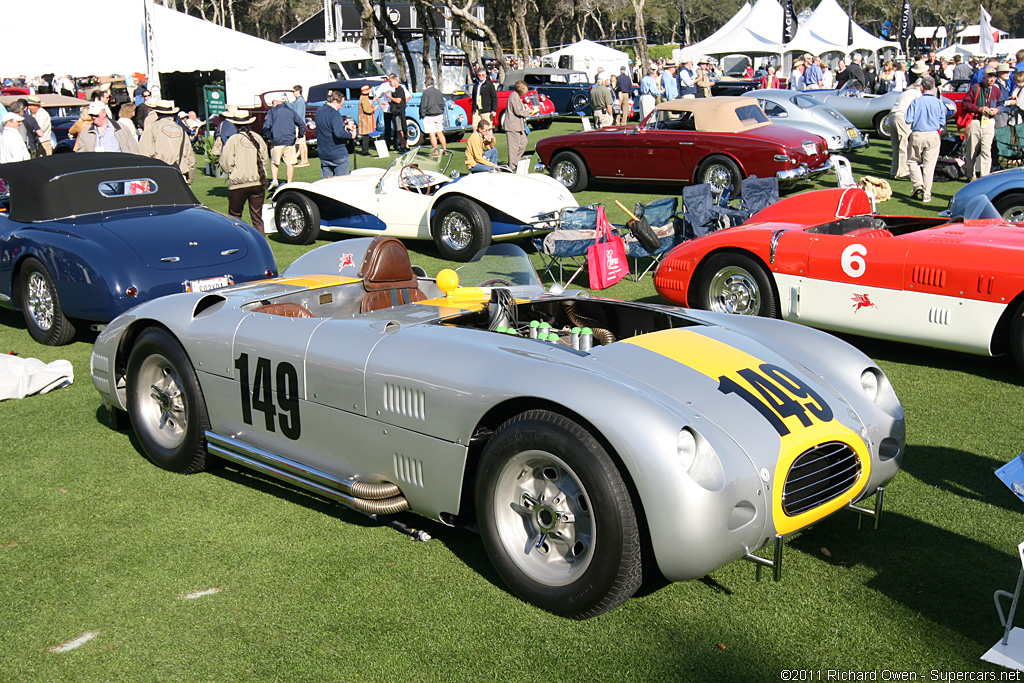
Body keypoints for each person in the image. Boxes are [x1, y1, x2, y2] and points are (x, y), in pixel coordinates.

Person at [219, 109, 269, 235]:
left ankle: (238, 242)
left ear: (235, 124)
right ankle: (261, 244)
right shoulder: (258, 138)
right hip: (258, 182)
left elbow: (225, 161)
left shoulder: (233, 139)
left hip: (239, 183)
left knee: (235, 217)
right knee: (257, 218)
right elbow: (265, 159)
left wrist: (232, 171)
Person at [905, 76, 947, 203]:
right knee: (929, 166)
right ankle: (927, 194)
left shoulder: (916, 102)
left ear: (921, 87)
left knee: (912, 161)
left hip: (918, 134)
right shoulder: (939, 103)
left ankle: (918, 185)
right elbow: (942, 121)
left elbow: (908, 119)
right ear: (934, 87)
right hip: (933, 134)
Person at [139, 100, 196, 184]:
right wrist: (189, 180)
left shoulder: (152, 128)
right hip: (179, 175)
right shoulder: (181, 130)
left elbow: (144, 154)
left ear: (157, 113)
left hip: (158, 176)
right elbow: (191, 160)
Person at [962, 67, 1003, 180]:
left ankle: (984, 177)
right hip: (975, 121)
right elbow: (965, 104)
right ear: (984, 77)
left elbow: (1002, 104)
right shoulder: (976, 88)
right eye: (990, 76)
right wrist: (979, 109)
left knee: (986, 150)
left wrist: (997, 110)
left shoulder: (996, 90)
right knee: (972, 151)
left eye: (994, 77)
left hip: (989, 122)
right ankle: (971, 175)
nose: (992, 79)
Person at [262, 94, 305, 190]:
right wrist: (300, 136)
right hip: (290, 141)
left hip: (276, 141)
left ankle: (274, 180)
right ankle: (289, 182)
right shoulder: (291, 111)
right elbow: (301, 124)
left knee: (274, 162)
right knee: (290, 163)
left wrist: (267, 137)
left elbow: (266, 126)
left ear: (276, 102)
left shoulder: (272, 112)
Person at [315, 89, 357, 178]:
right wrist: (351, 135)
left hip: (323, 154)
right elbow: (339, 133)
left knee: (326, 185)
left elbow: (327, 128)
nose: (341, 107)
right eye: (340, 105)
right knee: (342, 183)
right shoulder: (335, 114)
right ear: (335, 101)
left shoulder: (319, 111)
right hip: (337, 153)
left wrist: (345, 127)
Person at [887, 82, 921, 179]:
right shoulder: (916, 93)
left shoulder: (904, 93)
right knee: (905, 145)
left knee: (896, 146)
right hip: (902, 116)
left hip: (892, 116)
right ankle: (903, 171)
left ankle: (894, 171)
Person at [504, 80, 530, 169]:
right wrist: (528, 112)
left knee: (524, 143)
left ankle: (516, 162)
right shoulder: (514, 96)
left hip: (518, 125)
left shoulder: (516, 96)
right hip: (512, 125)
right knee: (513, 147)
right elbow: (518, 111)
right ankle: (512, 166)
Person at [420, 76, 446, 154]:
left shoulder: (426, 92)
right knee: (440, 133)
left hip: (429, 115)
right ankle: (445, 150)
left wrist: (422, 114)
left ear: (426, 84)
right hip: (439, 114)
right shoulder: (438, 91)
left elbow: (424, 105)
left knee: (432, 134)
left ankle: (436, 151)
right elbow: (443, 103)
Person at [386, 74, 408, 153]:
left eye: (391, 81)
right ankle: (402, 145)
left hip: (399, 113)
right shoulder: (395, 90)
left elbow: (398, 100)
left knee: (401, 129)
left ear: (395, 81)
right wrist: (390, 102)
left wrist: (390, 97)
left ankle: (404, 145)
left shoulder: (400, 90)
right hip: (396, 112)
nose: (390, 83)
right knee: (398, 130)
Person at [290, 85, 309, 167]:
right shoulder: (299, 101)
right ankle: (305, 159)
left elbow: (298, 114)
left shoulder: (300, 101)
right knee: (303, 142)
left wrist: (297, 124)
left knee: (300, 143)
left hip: (299, 125)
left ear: (298, 91)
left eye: (293, 91)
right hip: (301, 124)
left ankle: (303, 160)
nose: (293, 93)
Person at [357, 84, 377, 155]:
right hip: (365, 119)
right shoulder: (365, 98)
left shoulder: (362, 97)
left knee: (366, 136)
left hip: (363, 119)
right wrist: (374, 109)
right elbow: (367, 109)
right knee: (366, 136)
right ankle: (365, 151)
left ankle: (365, 150)